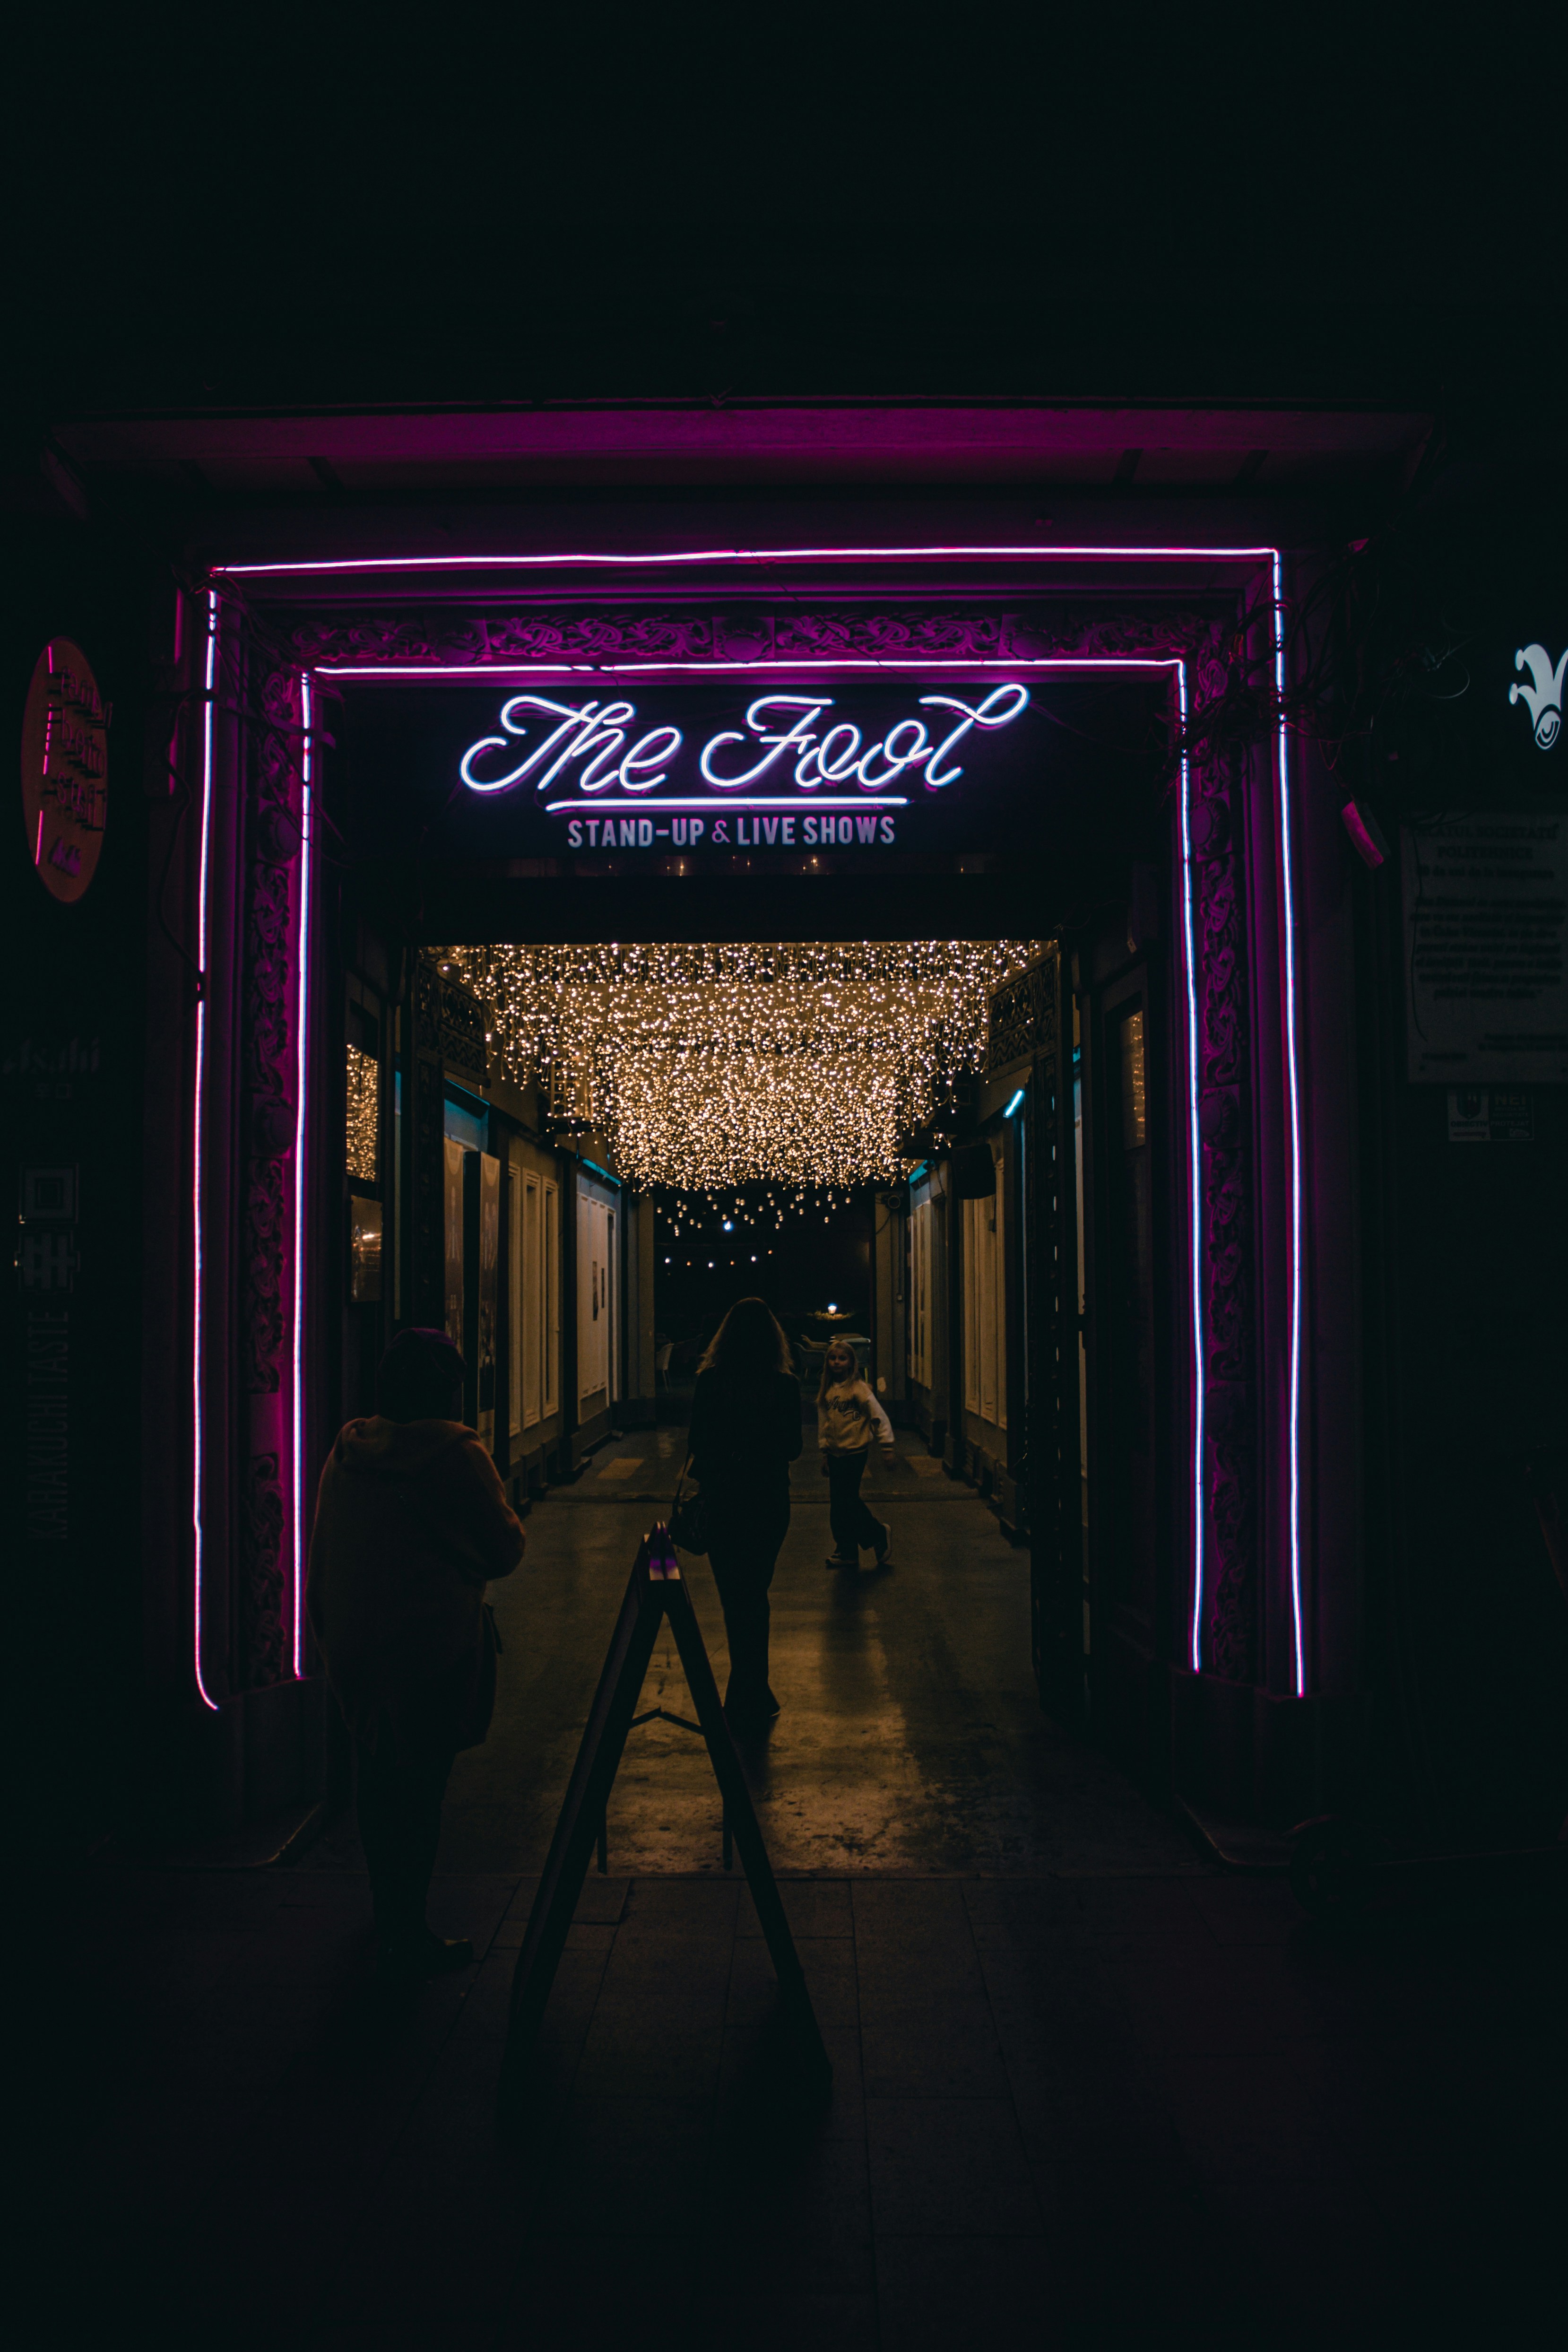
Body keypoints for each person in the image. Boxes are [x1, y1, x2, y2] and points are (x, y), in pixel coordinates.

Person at [306, 1327, 525, 1980]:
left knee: (375, 1784)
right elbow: (505, 1549)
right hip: (429, 1650)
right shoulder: (457, 1453)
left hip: (358, 1649)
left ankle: (387, 1911)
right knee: (422, 1793)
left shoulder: (349, 1448)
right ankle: (411, 1928)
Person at [685, 1297, 802, 1727]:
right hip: (769, 1501)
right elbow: (793, 1448)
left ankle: (746, 1690)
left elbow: (697, 1442)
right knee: (756, 1592)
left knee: (736, 1596)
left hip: (724, 1501)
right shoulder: (784, 1385)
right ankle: (752, 1688)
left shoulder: (711, 1382)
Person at [817, 1337, 896, 1570]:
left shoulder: (859, 1389)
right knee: (838, 1505)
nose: (837, 1362)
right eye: (833, 1358)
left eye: (842, 1358)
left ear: (852, 1362)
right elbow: (824, 1423)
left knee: (849, 1502)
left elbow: (878, 1416)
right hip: (835, 1454)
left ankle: (877, 1533)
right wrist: (824, 1451)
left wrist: (887, 1445)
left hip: (854, 1453)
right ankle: (847, 1549)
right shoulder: (828, 1391)